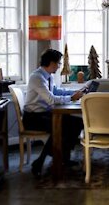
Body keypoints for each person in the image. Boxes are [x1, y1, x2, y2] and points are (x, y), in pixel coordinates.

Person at [22, 49, 84, 178]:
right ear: (51, 62)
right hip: (33, 118)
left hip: (44, 114)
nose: (59, 66)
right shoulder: (37, 78)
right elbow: (51, 99)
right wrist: (72, 98)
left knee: (78, 122)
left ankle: (63, 157)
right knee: (61, 127)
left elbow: (56, 91)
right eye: (58, 63)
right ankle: (41, 161)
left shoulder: (47, 76)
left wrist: (73, 92)